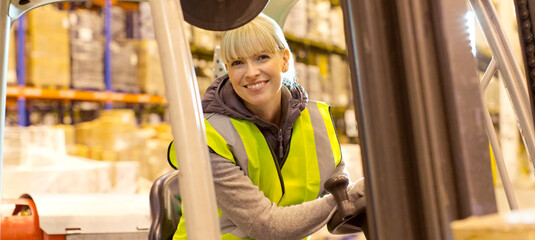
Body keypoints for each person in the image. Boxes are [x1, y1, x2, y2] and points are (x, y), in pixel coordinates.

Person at [168, 13, 365, 240]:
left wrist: (356, 198)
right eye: (238, 63)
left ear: (284, 59)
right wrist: (350, 197)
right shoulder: (210, 138)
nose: (251, 73)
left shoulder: (317, 121)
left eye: (261, 57)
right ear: (228, 70)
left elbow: (339, 204)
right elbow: (266, 226)